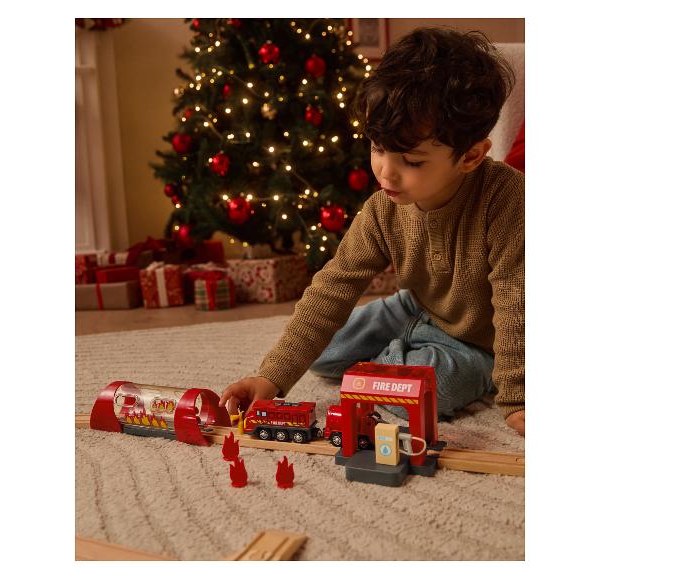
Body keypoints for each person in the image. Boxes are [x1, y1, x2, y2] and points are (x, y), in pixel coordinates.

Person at [219, 27, 525, 436]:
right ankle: (410, 336)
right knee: (322, 353)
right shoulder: (384, 206)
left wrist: (519, 397)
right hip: (419, 306)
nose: (384, 170)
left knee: (436, 387)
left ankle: (436, 356)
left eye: (411, 161)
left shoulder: (508, 201)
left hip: (481, 338)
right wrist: (271, 377)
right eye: (377, 147)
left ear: (470, 155)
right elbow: (334, 285)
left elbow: (517, 300)